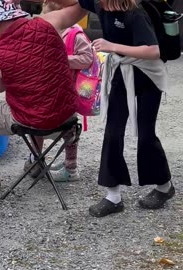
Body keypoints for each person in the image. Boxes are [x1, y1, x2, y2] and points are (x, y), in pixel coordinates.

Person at [37, 0, 174, 217]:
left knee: (146, 134)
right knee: (113, 133)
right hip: (120, 73)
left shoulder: (135, 13)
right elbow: (68, 0)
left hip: (147, 76)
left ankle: (164, 187)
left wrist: (111, 47)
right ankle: (113, 196)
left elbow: (153, 50)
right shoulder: (100, 4)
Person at [0, 0, 88, 192]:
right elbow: (86, 4)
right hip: (66, 119)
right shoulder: (49, 22)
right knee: (37, 102)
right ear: (19, 14)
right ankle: (35, 161)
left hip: (31, 122)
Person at [42, 0, 94, 182]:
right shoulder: (53, 31)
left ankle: (71, 168)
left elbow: (88, 58)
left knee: (70, 129)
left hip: (69, 90)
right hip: (54, 89)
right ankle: (64, 161)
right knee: (61, 128)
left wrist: (62, 58)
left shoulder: (75, 34)